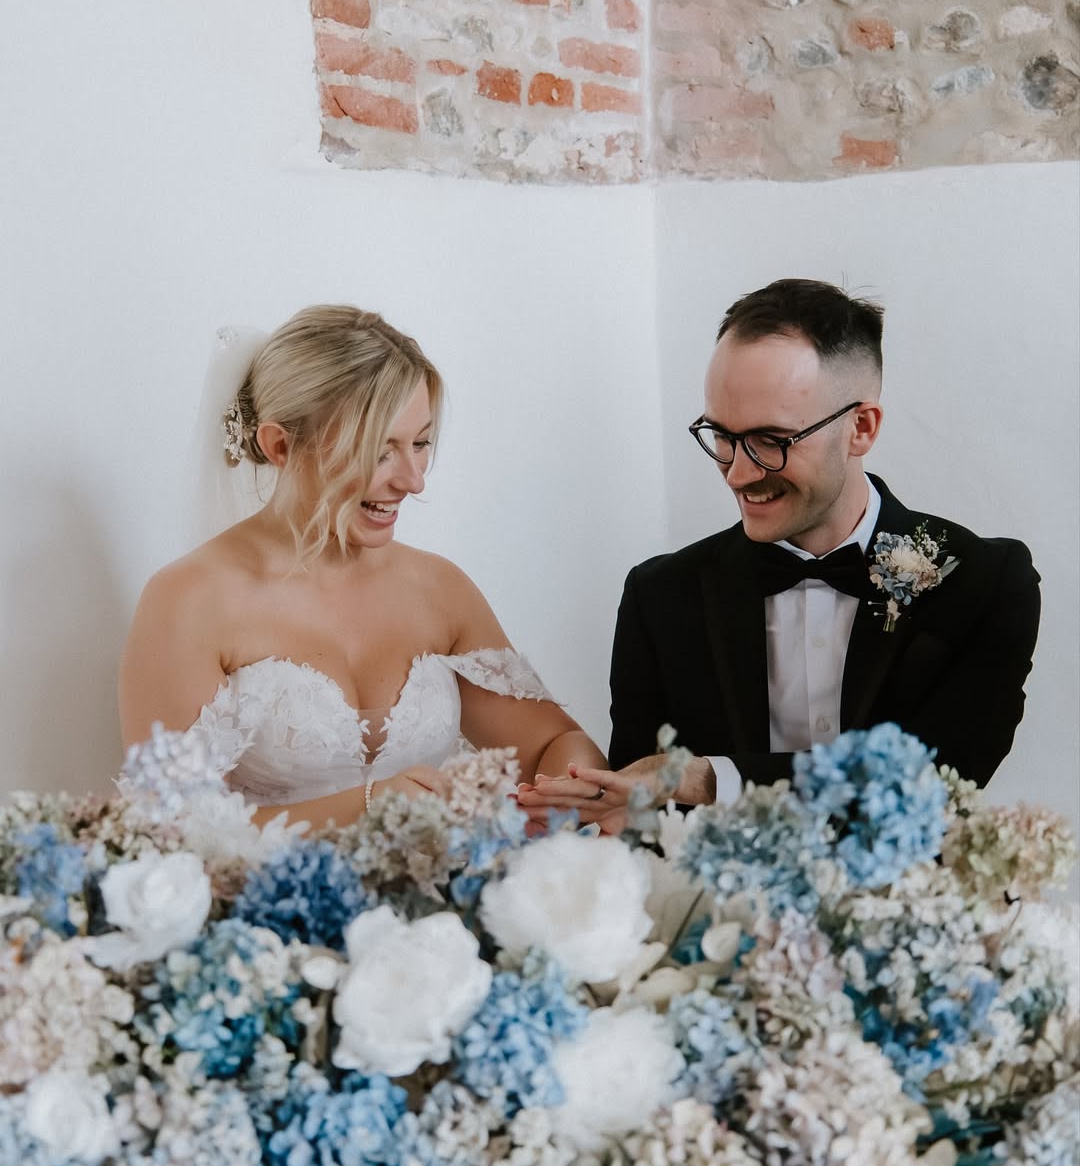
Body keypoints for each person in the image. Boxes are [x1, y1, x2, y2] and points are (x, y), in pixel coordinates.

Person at [518, 278, 1041, 831]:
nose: (739, 474)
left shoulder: (981, 580)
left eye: (772, 440)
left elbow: (931, 778)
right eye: (721, 435)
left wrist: (705, 777)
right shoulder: (660, 595)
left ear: (861, 428)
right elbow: (643, 812)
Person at [120, 304, 607, 828]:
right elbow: (166, 828)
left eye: (420, 444)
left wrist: (563, 795)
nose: (413, 480)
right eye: (379, 451)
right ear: (279, 445)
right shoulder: (190, 600)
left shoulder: (440, 589)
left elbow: (557, 742)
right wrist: (370, 807)